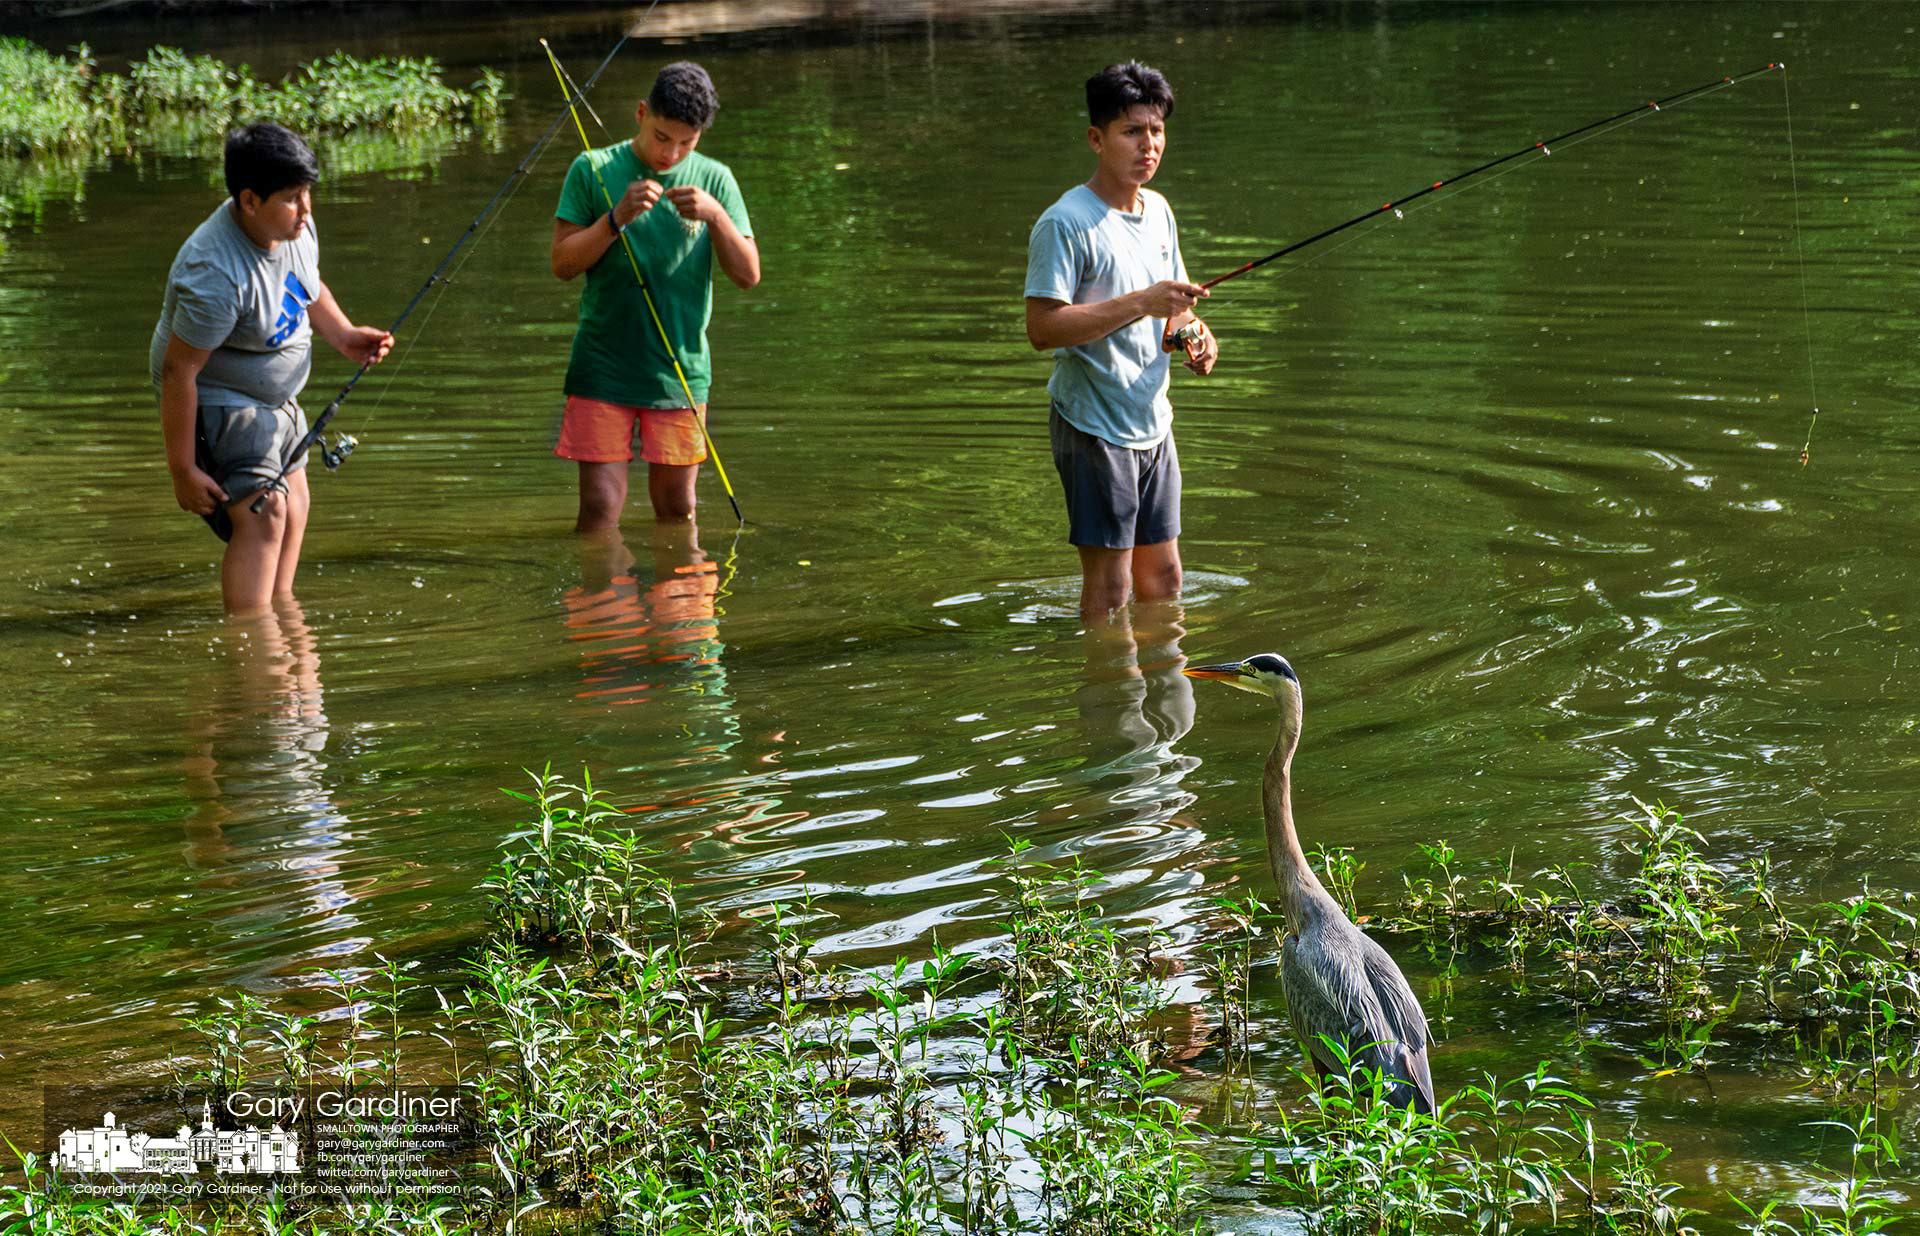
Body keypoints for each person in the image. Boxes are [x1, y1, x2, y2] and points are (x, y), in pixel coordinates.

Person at [150, 122, 392, 616]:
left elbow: (308, 285)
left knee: (296, 508)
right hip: (220, 400)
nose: (305, 210)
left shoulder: (294, 227)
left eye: (307, 194)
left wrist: (344, 336)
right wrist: (182, 469)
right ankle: (250, 647)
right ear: (249, 201)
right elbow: (179, 372)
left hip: (278, 401)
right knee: (266, 515)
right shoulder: (215, 272)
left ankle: (283, 628)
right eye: (291, 198)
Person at [1025, 61, 1219, 626]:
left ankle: (1165, 696)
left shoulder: (1158, 211)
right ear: (1096, 138)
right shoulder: (1066, 223)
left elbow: (1174, 310)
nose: (1148, 145)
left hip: (1153, 421)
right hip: (1094, 424)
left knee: (1164, 580)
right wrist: (1141, 302)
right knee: (1110, 590)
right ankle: (1109, 702)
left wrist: (1193, 337)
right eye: (1132, 131)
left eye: (1156, 130)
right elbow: (1042, 328)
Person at [550, 60, 760, 532]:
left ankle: (681, 606)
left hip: (679, 371)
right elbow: (562, 264)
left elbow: (749, 276)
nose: (672, 154)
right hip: (603, 366)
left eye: (687, 142)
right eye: (663, 137)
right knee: (599, 511)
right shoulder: (593, 168)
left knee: (677, 509)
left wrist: (716, 218)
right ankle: (604, 603)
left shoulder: (716, 180)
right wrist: (615, 218)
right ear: (641, 113)